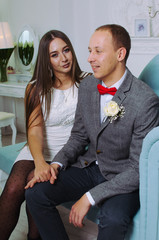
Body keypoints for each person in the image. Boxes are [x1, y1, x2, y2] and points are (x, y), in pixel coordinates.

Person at [25, 24, 159, 240]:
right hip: (89, 167)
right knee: (36, 193)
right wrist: (56, 165)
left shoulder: (145, 101)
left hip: (122, 176)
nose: (89, 58)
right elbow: (78, 136)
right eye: (89, 51)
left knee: (113, 218)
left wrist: (89, 197)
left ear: (120, 54)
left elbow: (136, 169)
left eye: (98, 51)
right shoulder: (87, 86)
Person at [0, 29, 91, 240]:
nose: (64, 58)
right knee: (13, 188)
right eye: (55, 54)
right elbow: (34, 129)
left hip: (67, 152)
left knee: (35, 184)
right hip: (36, 148)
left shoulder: (87, 82)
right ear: (47, 60)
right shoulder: (36, 87)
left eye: (66, 50)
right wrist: (39, 162)